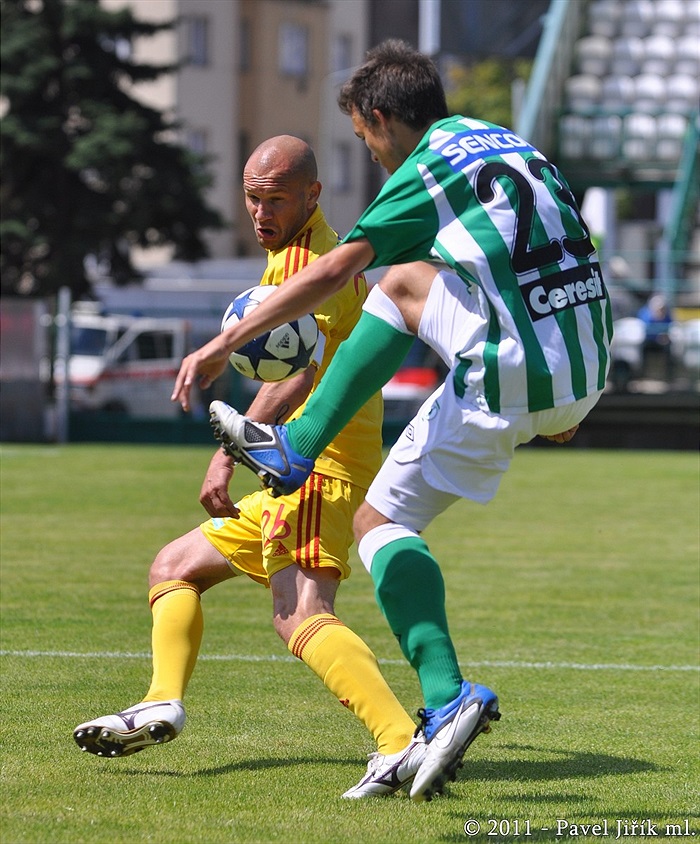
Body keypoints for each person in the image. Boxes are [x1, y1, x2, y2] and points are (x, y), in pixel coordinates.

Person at [172, 41, 614, 802]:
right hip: (587, 358)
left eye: (364, 140)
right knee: (406, 284)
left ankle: (447, 698)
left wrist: (223, 342)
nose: (372, 158)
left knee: (379, 522)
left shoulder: (425, 169)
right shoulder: (505, 141)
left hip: (515, 372)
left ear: (380, 119)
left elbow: (337, 268)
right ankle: (296, 448)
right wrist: (561, 398)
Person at [73, 135, 428, 800]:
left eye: (276, 199)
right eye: (252, 197)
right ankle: (160, 703)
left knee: (298, 613)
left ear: (312, 197)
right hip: (289, 469)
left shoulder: (310, 260)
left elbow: (294, 379)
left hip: (319, 469)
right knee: (174, 567)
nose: (260, 212)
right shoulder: (294, 257)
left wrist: (224, 452)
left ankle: (400, 741)